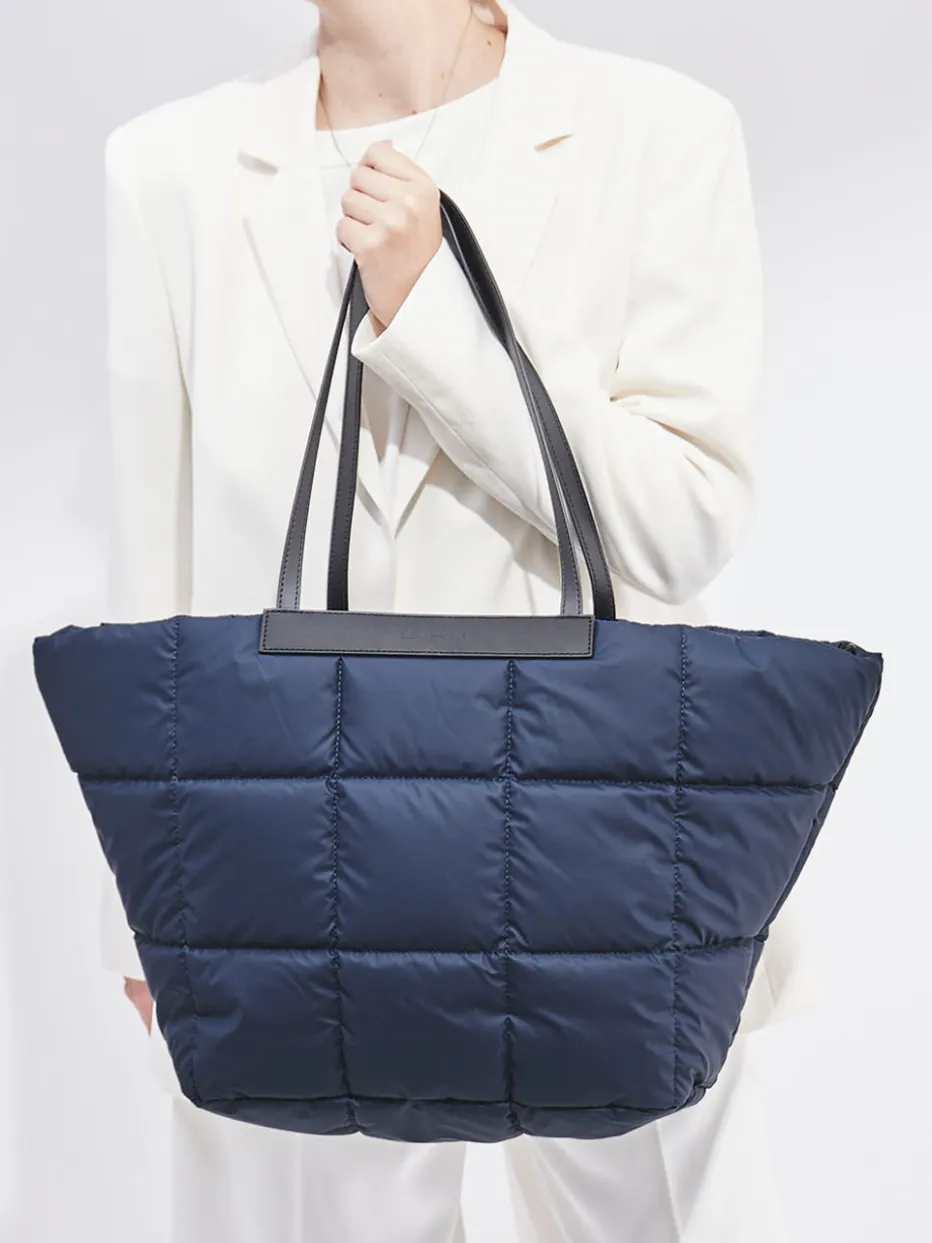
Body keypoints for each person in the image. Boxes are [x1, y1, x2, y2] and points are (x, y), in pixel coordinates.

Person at [101, 0, 821, 1238]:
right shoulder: (167, 165)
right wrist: (145, 901)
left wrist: (433, 311)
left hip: (615, 849)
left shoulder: (656, 131)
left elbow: (684, 515)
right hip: (278, 860)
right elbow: (150, 563)